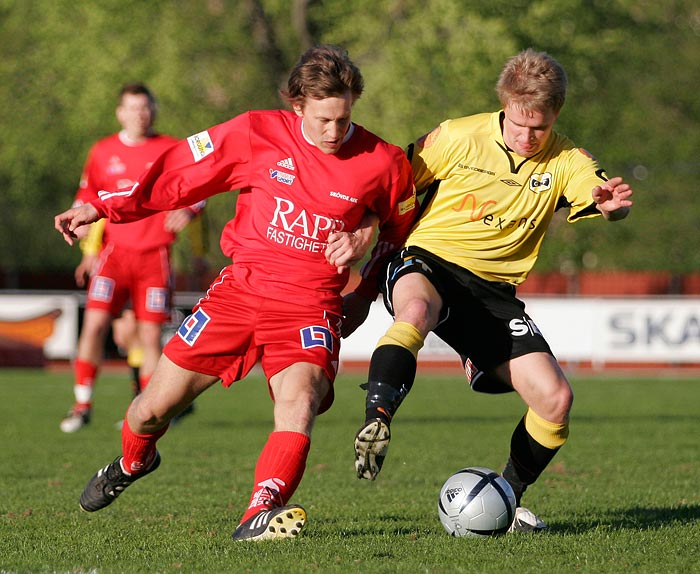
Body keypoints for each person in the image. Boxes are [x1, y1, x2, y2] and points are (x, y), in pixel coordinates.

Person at [54, 44, 417, 541]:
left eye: (344, 118)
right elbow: (178, 175)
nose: (335, 132)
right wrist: (103, 206)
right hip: (239, 293)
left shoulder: (383, 160)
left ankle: (259, 511)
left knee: (301, 400)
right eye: (324, 120)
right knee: (148, 410)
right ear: (297, 107)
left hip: (310, 304)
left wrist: (366, 260)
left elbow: (400, 230)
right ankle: (135, 462)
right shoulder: (256, 133)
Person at [348, 48, 634, 532]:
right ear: (504, 104)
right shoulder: (457, 135)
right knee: (415, 309)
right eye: (518, 124)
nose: (526, 137)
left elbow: (599, 193)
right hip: (430, 260)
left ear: (556, 115)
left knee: (554, 399)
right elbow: (391, 184)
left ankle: (507, 496)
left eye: (538, 128)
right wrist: (362, 229)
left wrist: (610, 207)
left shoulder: (568, 159)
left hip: (493, 293)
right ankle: (377, 418)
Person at [59, 83, 205, 434]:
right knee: (94, 325)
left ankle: (147, 409)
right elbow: (87, 198)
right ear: (120, 112)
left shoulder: (171, 147)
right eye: (132, 107)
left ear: (153, 109)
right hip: (114, 255)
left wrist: (189, 211)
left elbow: (202, 184)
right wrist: (86, 246)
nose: (140, 114)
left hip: (155, 256)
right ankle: (82, 405)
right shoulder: (103, 151)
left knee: (149, 335)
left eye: (145, 107)